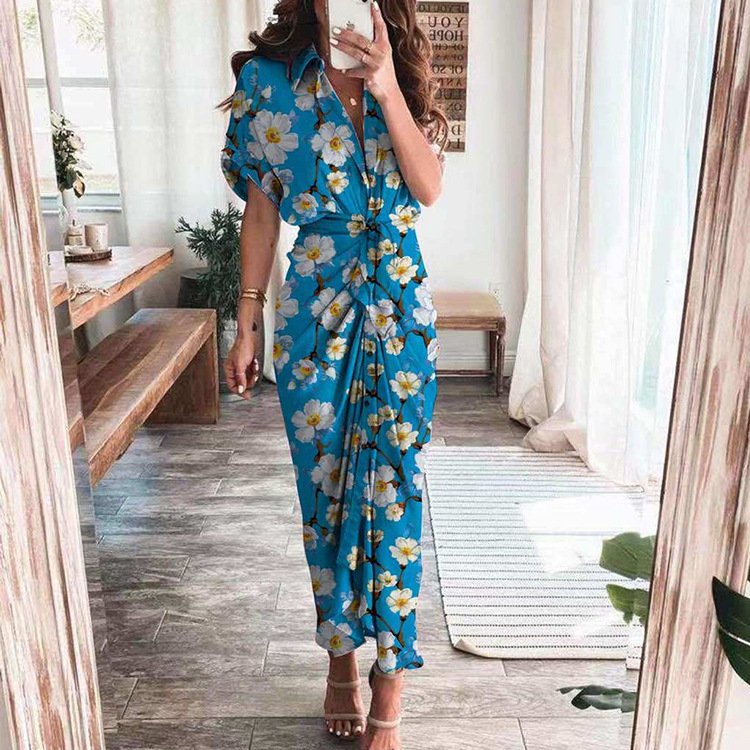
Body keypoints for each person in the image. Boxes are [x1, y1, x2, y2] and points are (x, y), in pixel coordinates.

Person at [221, 1, 445, 746]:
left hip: (400, 312)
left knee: (395, 492)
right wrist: (247, 320)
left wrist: (386, 87)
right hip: (315, 314)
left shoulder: (401, 62)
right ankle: (341, 657)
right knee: (325, 497)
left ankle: (392, 678)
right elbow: (261, 212)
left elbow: (428, 188)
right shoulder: (266, 80)